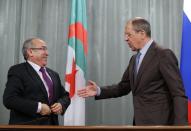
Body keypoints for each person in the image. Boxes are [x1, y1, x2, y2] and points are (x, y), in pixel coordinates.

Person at [78, 17, 188, 125]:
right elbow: (123, 87)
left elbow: (178, 93)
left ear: (142, 34)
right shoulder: (134, 59)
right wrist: (98, 90)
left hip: (160, 125)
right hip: (139, 124)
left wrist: (180, 127)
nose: (126, 39)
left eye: (129, 34)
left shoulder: (163, 55)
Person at [3, 38, 70, 125]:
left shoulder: (53, 74)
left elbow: (65, 96)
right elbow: (10, 99)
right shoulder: (18, 71)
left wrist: (61, 105)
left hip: (52, 127)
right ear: (30, 52)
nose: (47, 53)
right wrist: (39, 107)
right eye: (43, 49)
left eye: (46, 49)